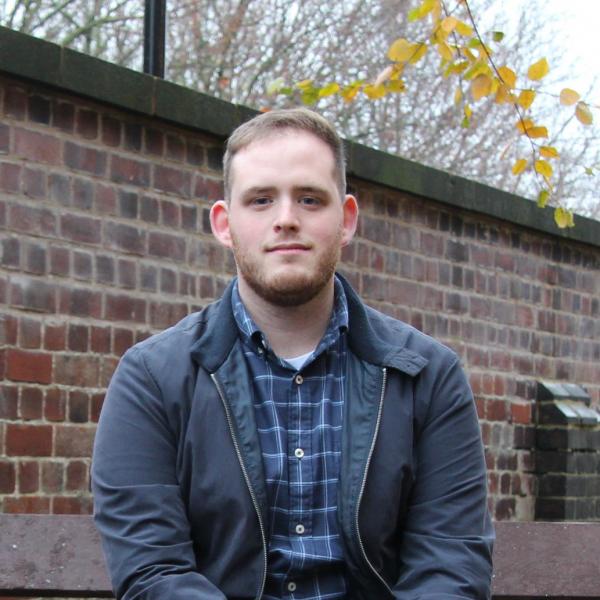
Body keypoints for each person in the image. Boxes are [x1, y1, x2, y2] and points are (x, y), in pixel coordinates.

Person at [92, 107, 494, 600]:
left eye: (309, 198)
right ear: (225, 223)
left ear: (346, 219)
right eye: (260, 200)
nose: (286, 219)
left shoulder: (427, 377)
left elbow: (450, 567)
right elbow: (152, 572)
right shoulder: (153, 378)